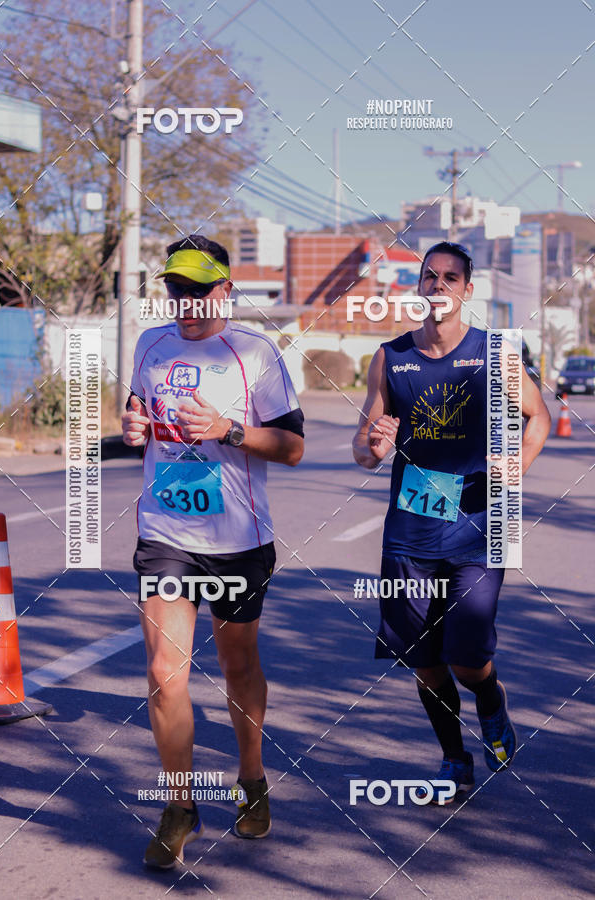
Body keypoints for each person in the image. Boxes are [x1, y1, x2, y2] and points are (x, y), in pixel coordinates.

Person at [122, 235, 304, 866]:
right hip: (166, 533)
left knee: (237, 666)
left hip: (237, 541)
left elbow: (292, 447)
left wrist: (228, 430)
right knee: (162, 675)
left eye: (201, 289)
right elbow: (140, 411)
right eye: (177, 289)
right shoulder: (150, 344)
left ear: (226, 289)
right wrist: (131, 426)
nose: (188, 301)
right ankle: (180, 806)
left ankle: (251, 777)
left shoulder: (255, 353)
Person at [352, 241, 550, 802]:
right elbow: (363, 450)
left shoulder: (495, 354)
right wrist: (373, 445)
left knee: (466, 658)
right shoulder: (390, 358)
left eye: (450, 277)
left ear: (468, 290)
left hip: (482, 525)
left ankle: (491, 703)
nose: (438, 285)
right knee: (424, 662)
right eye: (429, 276)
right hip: (410, 533)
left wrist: (521, 463)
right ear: (419, 288)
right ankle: (453, 757)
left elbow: (538, 418)